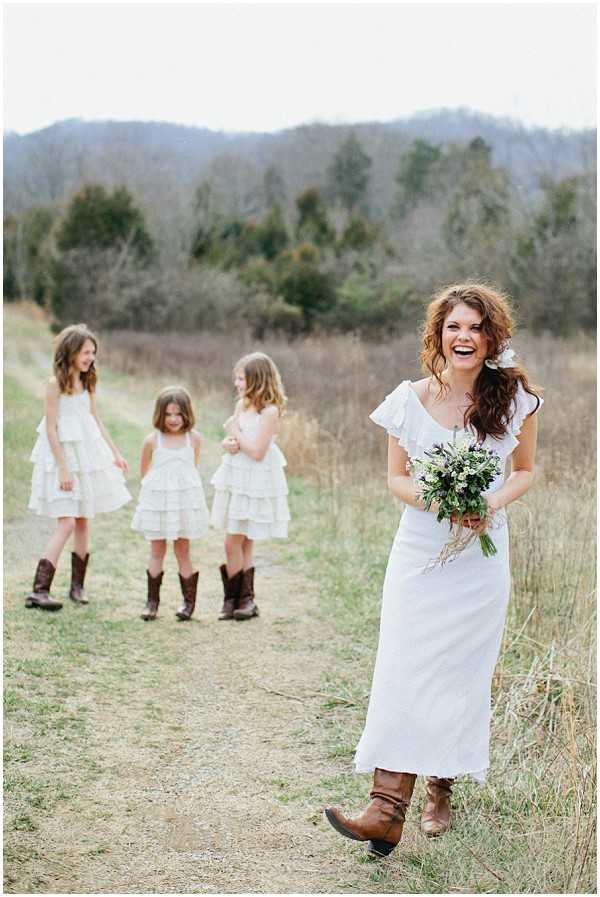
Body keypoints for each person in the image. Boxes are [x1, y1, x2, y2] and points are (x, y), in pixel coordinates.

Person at [324, 283, 543, 857]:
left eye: (475, 327)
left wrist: (487, 504)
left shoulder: (515, 400)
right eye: (454, 327)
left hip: (480, 562)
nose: (464, 336)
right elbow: (397, 478)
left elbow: (523, 471)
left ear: (491, 337)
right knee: (403, 666)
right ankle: (385, 809)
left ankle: (439, 790)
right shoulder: (407, 399)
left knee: (458, 674)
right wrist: (441, 502)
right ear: (438, 335)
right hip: (420, 553)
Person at [26, 323, 131, 611]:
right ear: (70, 351)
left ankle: (77, 587)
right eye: (86, 352)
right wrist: (62, 469)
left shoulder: (88, 382)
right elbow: (50, 429)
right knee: (68, 521)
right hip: (62, 458)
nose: (90, 358)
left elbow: (95, 420)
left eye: (93, 353)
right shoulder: (55, 384)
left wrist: (115, 453)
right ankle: (39, 589)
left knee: (84, 520)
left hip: (85, 457)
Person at [210, 352, 289, 621]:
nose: (237, 383)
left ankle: (237, 599)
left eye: (241, 378)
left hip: (256, 482)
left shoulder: (270, 412)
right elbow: (239, 443)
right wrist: (229, 443)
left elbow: (257, 451)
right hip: (238, 479)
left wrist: (235, 432)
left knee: (236, 541)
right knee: (239, 542)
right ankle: (240, 601)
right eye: (236, 378)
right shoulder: (242, 406)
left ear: (257, 380)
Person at [131, 386, 209, 621]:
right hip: (159, 502)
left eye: (178, 414)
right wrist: (157, 493)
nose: (173, 419)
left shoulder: (193, 438)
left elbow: (192, 468)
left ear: (187, 414)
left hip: (183, 502)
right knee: (157, 549)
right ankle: (152, 602)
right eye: (168, 414)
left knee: (182, 549)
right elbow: (145, 472)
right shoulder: (153, 440)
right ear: (160, 415)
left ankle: (188, 602)